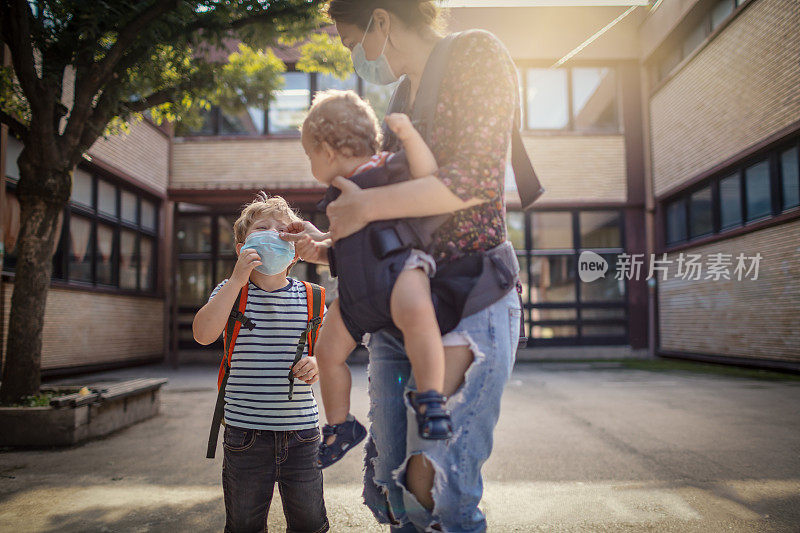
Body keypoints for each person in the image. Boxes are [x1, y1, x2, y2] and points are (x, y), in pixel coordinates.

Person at [281, 1, 524, 531]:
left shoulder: (475, 53)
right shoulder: (401, 97)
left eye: (351, 42)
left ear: (381, 20)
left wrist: (363, 206)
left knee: (434, 488)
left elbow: (475, 181)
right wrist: (323, 247)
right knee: (393, 485)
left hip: (467, 298)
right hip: (397, 308)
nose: (354, 57)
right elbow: (387, 226)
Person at [298, 89, 460, 468]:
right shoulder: (336, 197)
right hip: (356, 294)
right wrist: (316, 250)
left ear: (327, 149)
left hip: (397, 271)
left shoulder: (385, 166)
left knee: (419, 314)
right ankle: (341, 426)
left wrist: (409, 136)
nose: (310, 163)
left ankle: (432, 398)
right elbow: (343, 249)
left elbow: (427, 174)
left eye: (309, 155)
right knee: (326, 351)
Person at [193, 193, 329, 533]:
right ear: (242, 247)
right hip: (245, 433)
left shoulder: (311, 296)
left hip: (302, 433)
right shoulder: (230, 290)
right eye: (262, 228)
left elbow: (326, 352)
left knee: (310, 522)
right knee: (244, 524)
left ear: (295, 250)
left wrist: (316, 362)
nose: (272, 233)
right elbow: (203, 334)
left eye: (281, 229)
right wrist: (237, 280)